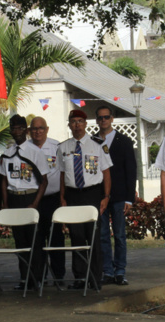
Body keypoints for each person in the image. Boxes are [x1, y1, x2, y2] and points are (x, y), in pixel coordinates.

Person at [57, 109, 112, 290]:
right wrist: (62, 198)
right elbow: (62, 175)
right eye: (73, 121)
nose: (77, 125)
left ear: (86, 124)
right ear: (69, 125)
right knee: (77, 237)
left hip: (92, 194)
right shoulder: (63, 148)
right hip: (73, 195)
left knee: (94, 237)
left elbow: (106, 172)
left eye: (80, 121)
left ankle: (95, 278)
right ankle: (80, 277)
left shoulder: (98, 145)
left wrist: (106, 196)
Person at [0, 114, 49, 290]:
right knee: (20, 241)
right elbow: (4, 180)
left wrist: (35, 203)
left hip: (30, 197)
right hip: (14, 198)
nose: (17, 131)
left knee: (34, 240)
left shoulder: (35, 151)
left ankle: (37, 278)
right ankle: (24, 278)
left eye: (20, 128)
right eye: (14, 128)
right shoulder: (7, 153)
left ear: (26, 130)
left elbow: (44, 181)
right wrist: (6, 204)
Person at [94, 106, 136, 286]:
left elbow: (131, 170)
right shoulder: (92, 141)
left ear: (112, 119)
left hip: (119, 195)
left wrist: (129, 198)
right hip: (100, 195)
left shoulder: (124, 141)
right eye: (100, 118)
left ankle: (120, 271)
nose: (103, 120)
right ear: (97, 120)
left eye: (106, 117)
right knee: (102, 235)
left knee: (119, 235)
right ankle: (107, 271)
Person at [30, 117, 65, 285]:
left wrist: (63, 198)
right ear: (30, 131)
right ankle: (39, 276)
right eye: (34, 129)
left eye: (41, 128)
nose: (38, 132)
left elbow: (63, 173)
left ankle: (59, 276)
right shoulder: (25, 148)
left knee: (56, 238)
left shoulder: (57, 147)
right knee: (37, 239)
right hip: (33, 200)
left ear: (47, 129)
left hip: (53, 199)